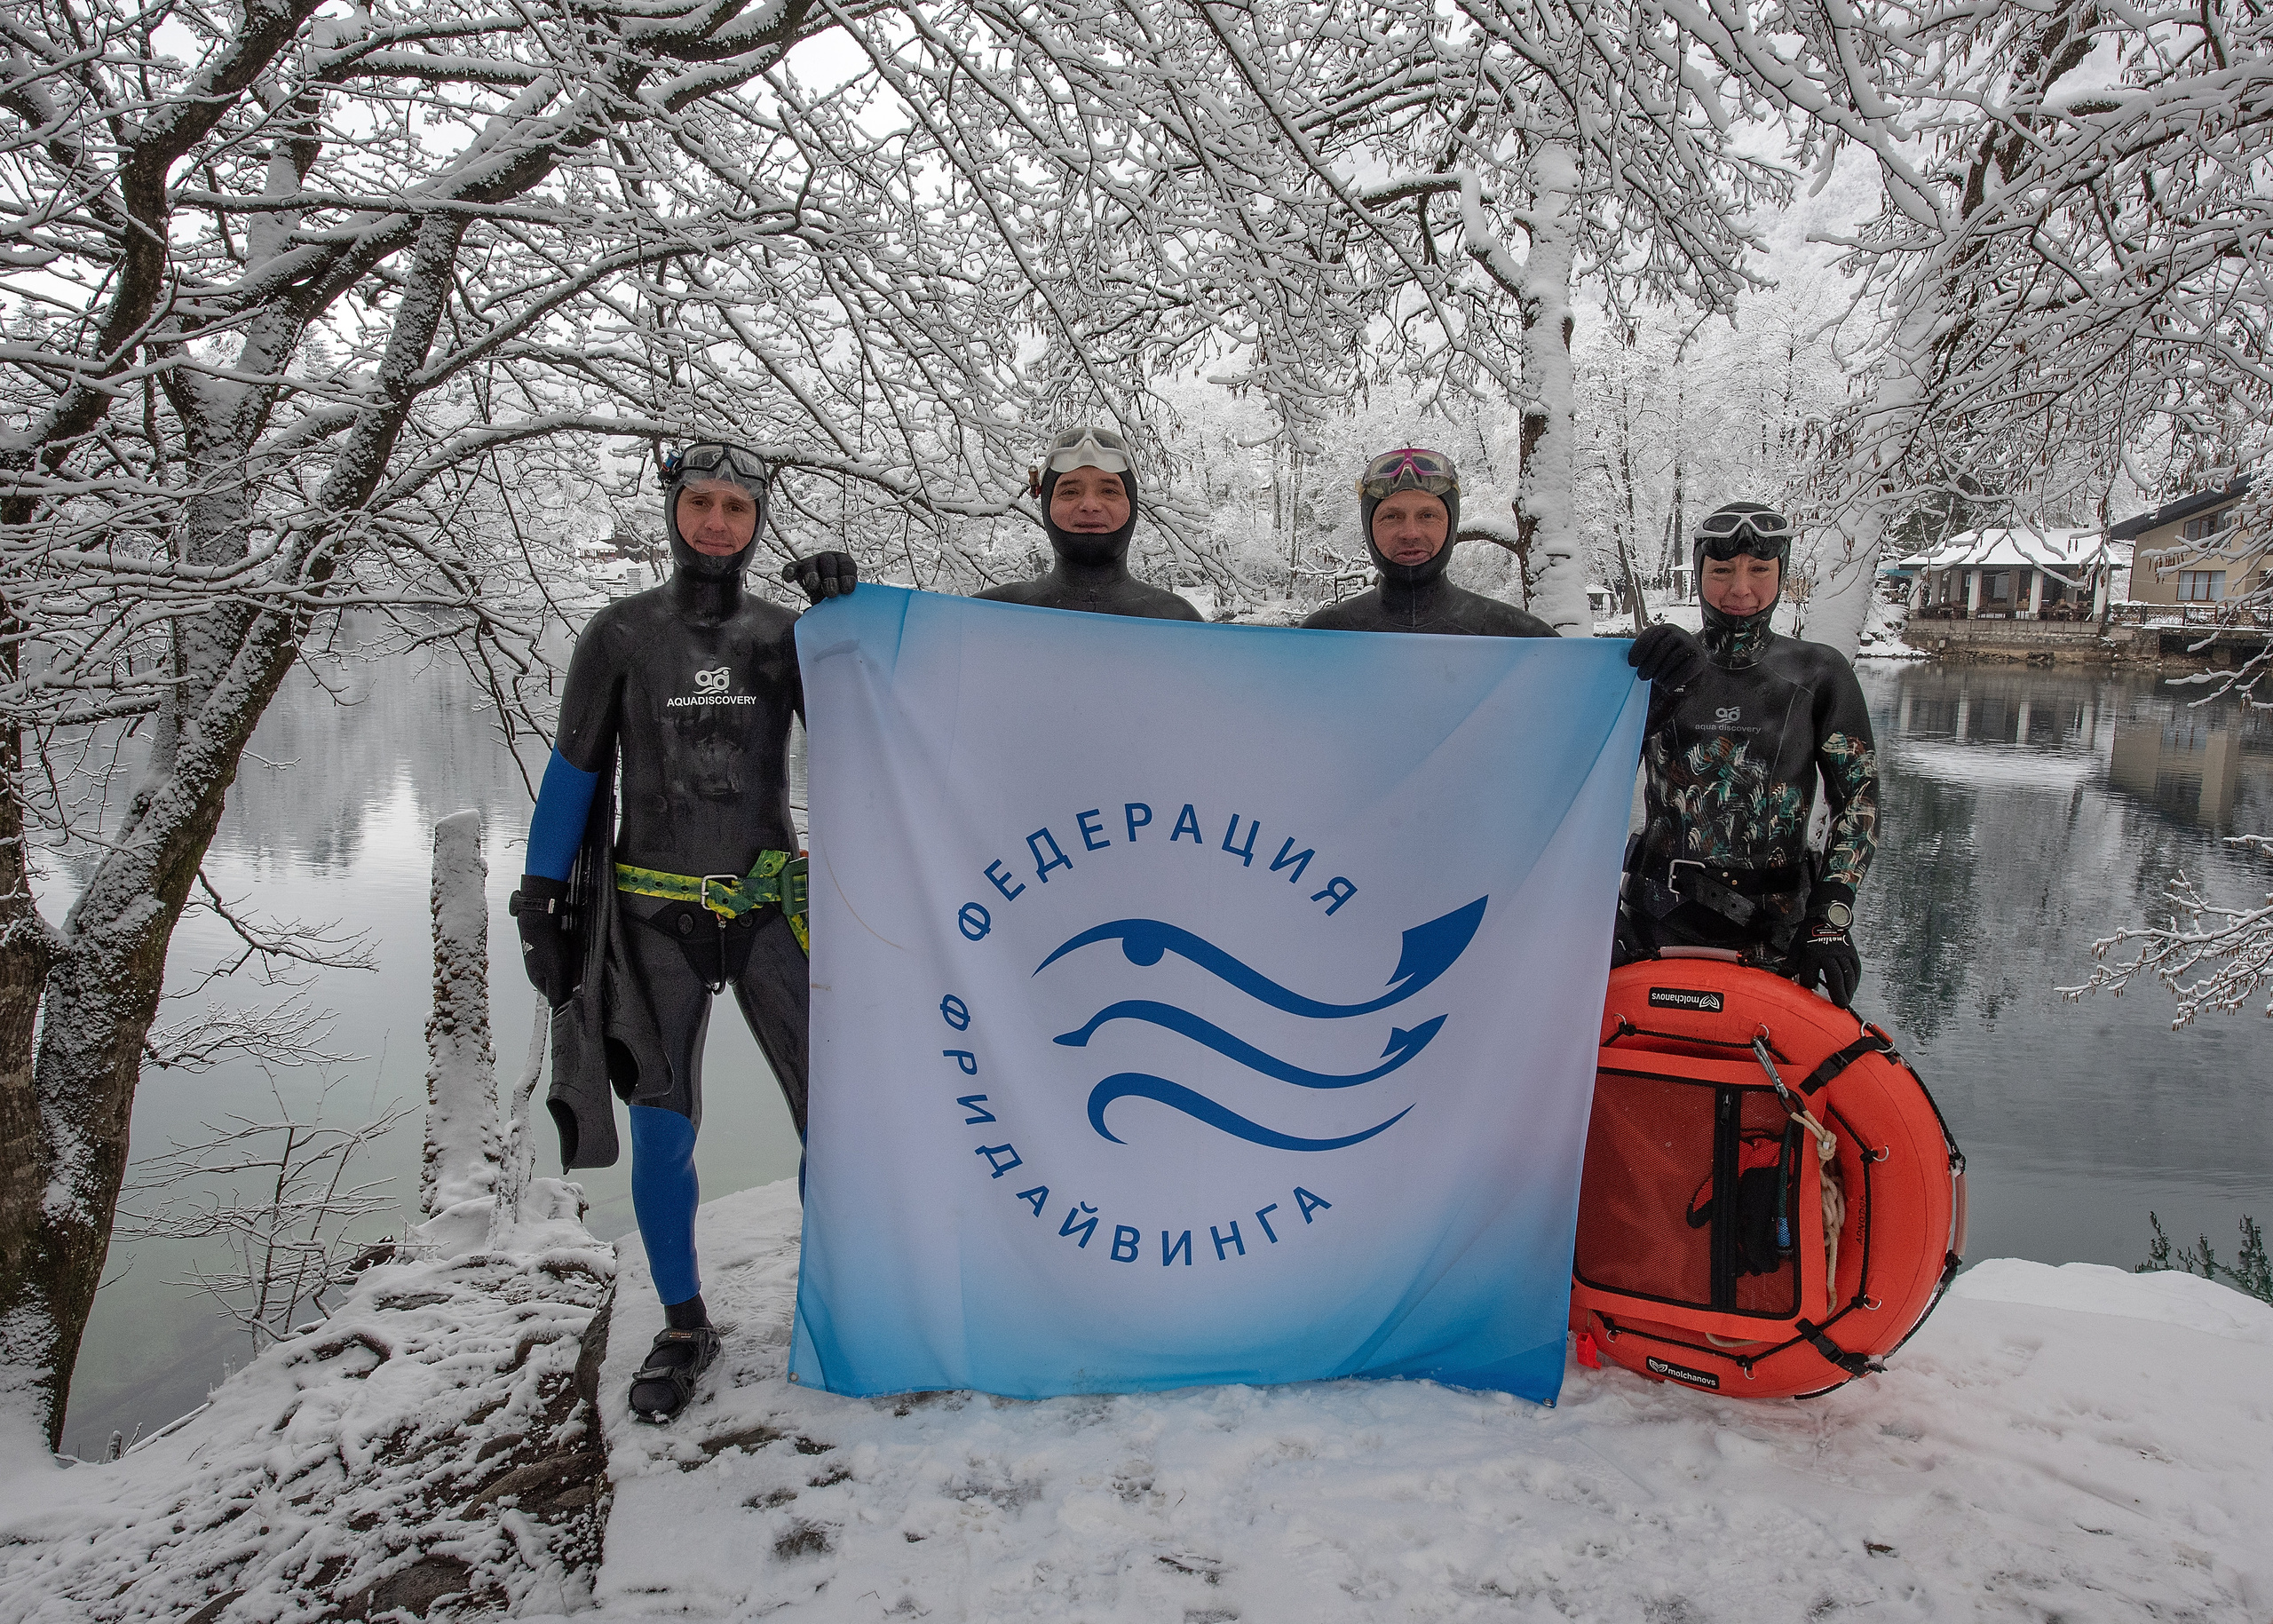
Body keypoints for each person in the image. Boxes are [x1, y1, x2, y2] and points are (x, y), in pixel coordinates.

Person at [511, 440, 858, 1422]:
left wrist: (850, 614)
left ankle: (839, 1299)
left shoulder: (789, 636)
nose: (717, 523)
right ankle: (681, 1323)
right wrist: (539, 898)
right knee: (665, 1127)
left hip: (769, 904)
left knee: (830, 1117)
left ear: (758, 521)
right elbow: (573, 774)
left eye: (737, 508)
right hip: (650, 912)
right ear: (672, 509)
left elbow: (878, 730)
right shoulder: (619, 634)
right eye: (701, 503)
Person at [1614, 501, 1878, 1008]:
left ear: (1782, 571)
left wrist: (1831, 918)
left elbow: (1860, 806)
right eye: (1721, 571)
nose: (1740, 589)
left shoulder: (1819, 674)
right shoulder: (1657, 668)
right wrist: (1600, 910)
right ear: (1698, 573)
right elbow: (1588, 793)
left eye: (1760, 569)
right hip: (1653, 923)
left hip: (1775, 935)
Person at [1301, 447, 1556, 637]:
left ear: (1451, 524)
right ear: (1368, 527)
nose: (1410, 533)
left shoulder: (1522, 637)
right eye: (1391, 516)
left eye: (1428, 515)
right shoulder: (1320, 638)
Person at [977, 426, 1204, 620]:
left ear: (1131, 504)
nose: (1090, 504)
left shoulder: (1178, 619)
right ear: (1046, 503)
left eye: (1109, 490)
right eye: (1070, 491)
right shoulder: (986, 615)